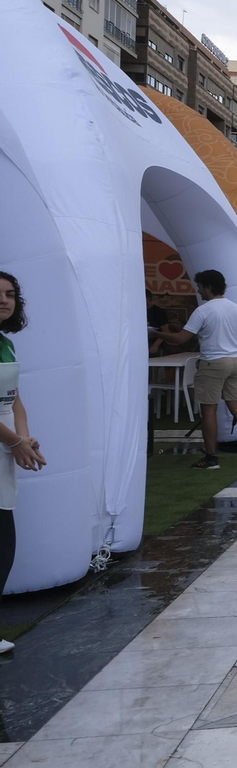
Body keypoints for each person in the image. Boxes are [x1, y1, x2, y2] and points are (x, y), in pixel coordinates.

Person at [152, 270, 237, 470]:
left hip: (213, 363)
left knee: (208, 409)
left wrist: (156, 333)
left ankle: (211, 458)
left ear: (208, 286)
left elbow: (181, 338)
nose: (198, 291)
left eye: (199, 286)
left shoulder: (203, 310)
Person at [0, 272, 46, 655]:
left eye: (10, 294)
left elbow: (14, 400)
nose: (4, 300)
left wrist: (24, 437)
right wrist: (15, 441)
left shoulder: (6, 344)